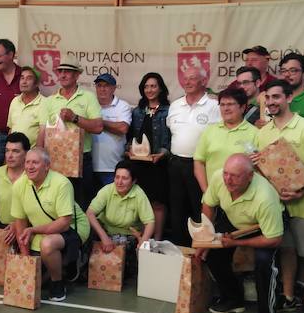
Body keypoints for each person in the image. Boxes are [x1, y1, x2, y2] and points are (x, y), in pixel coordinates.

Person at [254, 79, 304, 313]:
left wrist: (301, 191)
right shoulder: (263, 132)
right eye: (268, 98)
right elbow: (262, 167)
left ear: (288, 98)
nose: (272, 102)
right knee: (286, 250)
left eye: (276, 97)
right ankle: (287, 295)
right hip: (277, 205)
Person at [197, 154, 284, 313]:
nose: (228, 179)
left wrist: (236, 243)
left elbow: (274, 239)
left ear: (250, 176)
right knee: (212, 253)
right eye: (226, 174)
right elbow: (208, 204)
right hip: (234, 217)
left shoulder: (265, 197)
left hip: (263, 227)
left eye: (235, 176)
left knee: (263, 262)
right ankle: (233, 299)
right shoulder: (219, 177)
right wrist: (206, 235)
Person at [10, 147, 91, 302]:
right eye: (27, 162)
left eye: (35, 162)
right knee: (34, 273)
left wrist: (33, 230)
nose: (30, 166)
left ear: (47, 166)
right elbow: (20, 221)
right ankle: (64, 265)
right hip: (42, 230)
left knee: (47, 245)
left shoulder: (62, 183)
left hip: (72, 228)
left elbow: (64, 223)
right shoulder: (19, 185)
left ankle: (58, 284)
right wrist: (26, 259)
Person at [36, 58, 103, 209]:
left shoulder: (88, 97)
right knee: (56, 203)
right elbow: (42, 132)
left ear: (77, 75)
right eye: (60, 71)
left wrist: (74, 118)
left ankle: (81, 233)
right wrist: (38, 158)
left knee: (81, 204)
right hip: (54, 159)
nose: (63, 75)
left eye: (68, 71)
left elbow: (98, 127)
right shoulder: (49, 101)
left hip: (81, 158)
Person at [166, 66, 220, 245]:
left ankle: (200, 249)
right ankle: (179, 250)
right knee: (176, 210)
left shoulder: (214, 106)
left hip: (200, 166)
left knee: (199, 209)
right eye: (185, 79)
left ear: (203, 81)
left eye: (192, 78)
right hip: (175, 164)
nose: (187, 82)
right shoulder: (175, 105)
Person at [127, 72, 170, 240]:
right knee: (140, 202)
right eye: (146, 86)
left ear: (160, 88)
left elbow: (173, 137)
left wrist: (163, 153)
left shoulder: (168, 110)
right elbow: (130, 136)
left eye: (153, 86)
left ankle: (157, 240)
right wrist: (129, 149)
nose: (149, 90)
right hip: (139, 164)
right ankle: (142, 239)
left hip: (159, 163)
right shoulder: (137, 111)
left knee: (158, 204)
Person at [192, 87, 259, 195]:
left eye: (230, 104)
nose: (225, 108)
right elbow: (199, 162)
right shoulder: (209, 131)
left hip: (244, 198)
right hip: (213, 196)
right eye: (222, 105)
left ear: (242, 107)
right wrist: (207, 192)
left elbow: (259, 169)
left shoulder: (255, 133)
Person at [87, 160, 155, 252]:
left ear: (133, 181)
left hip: (129, 236)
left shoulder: (139, 194)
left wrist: (143, 242)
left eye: (124, 178)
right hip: (105, 232)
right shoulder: (107, 190)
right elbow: (90, 213)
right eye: (117, 177)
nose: (119, 182)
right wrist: (104, 237)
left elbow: (150, 222)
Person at [92, 73, 131, 189]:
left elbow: (123, 128)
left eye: (106, 86)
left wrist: (97, 122)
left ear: (114, 88)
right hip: (89, 166)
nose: (102, 89)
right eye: (99, 85)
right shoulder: (89, 104)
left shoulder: (122, 106)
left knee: (112, 205)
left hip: (113, 168)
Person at [7, 66, 43, 147]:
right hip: (15, 154)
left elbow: (44, 133)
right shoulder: (15, 101)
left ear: (36, 83)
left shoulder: (44, 103)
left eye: (29, 78)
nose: (24, 82)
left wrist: (36, 154)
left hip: (32, 155)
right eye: (22, 78)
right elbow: (11, 128)